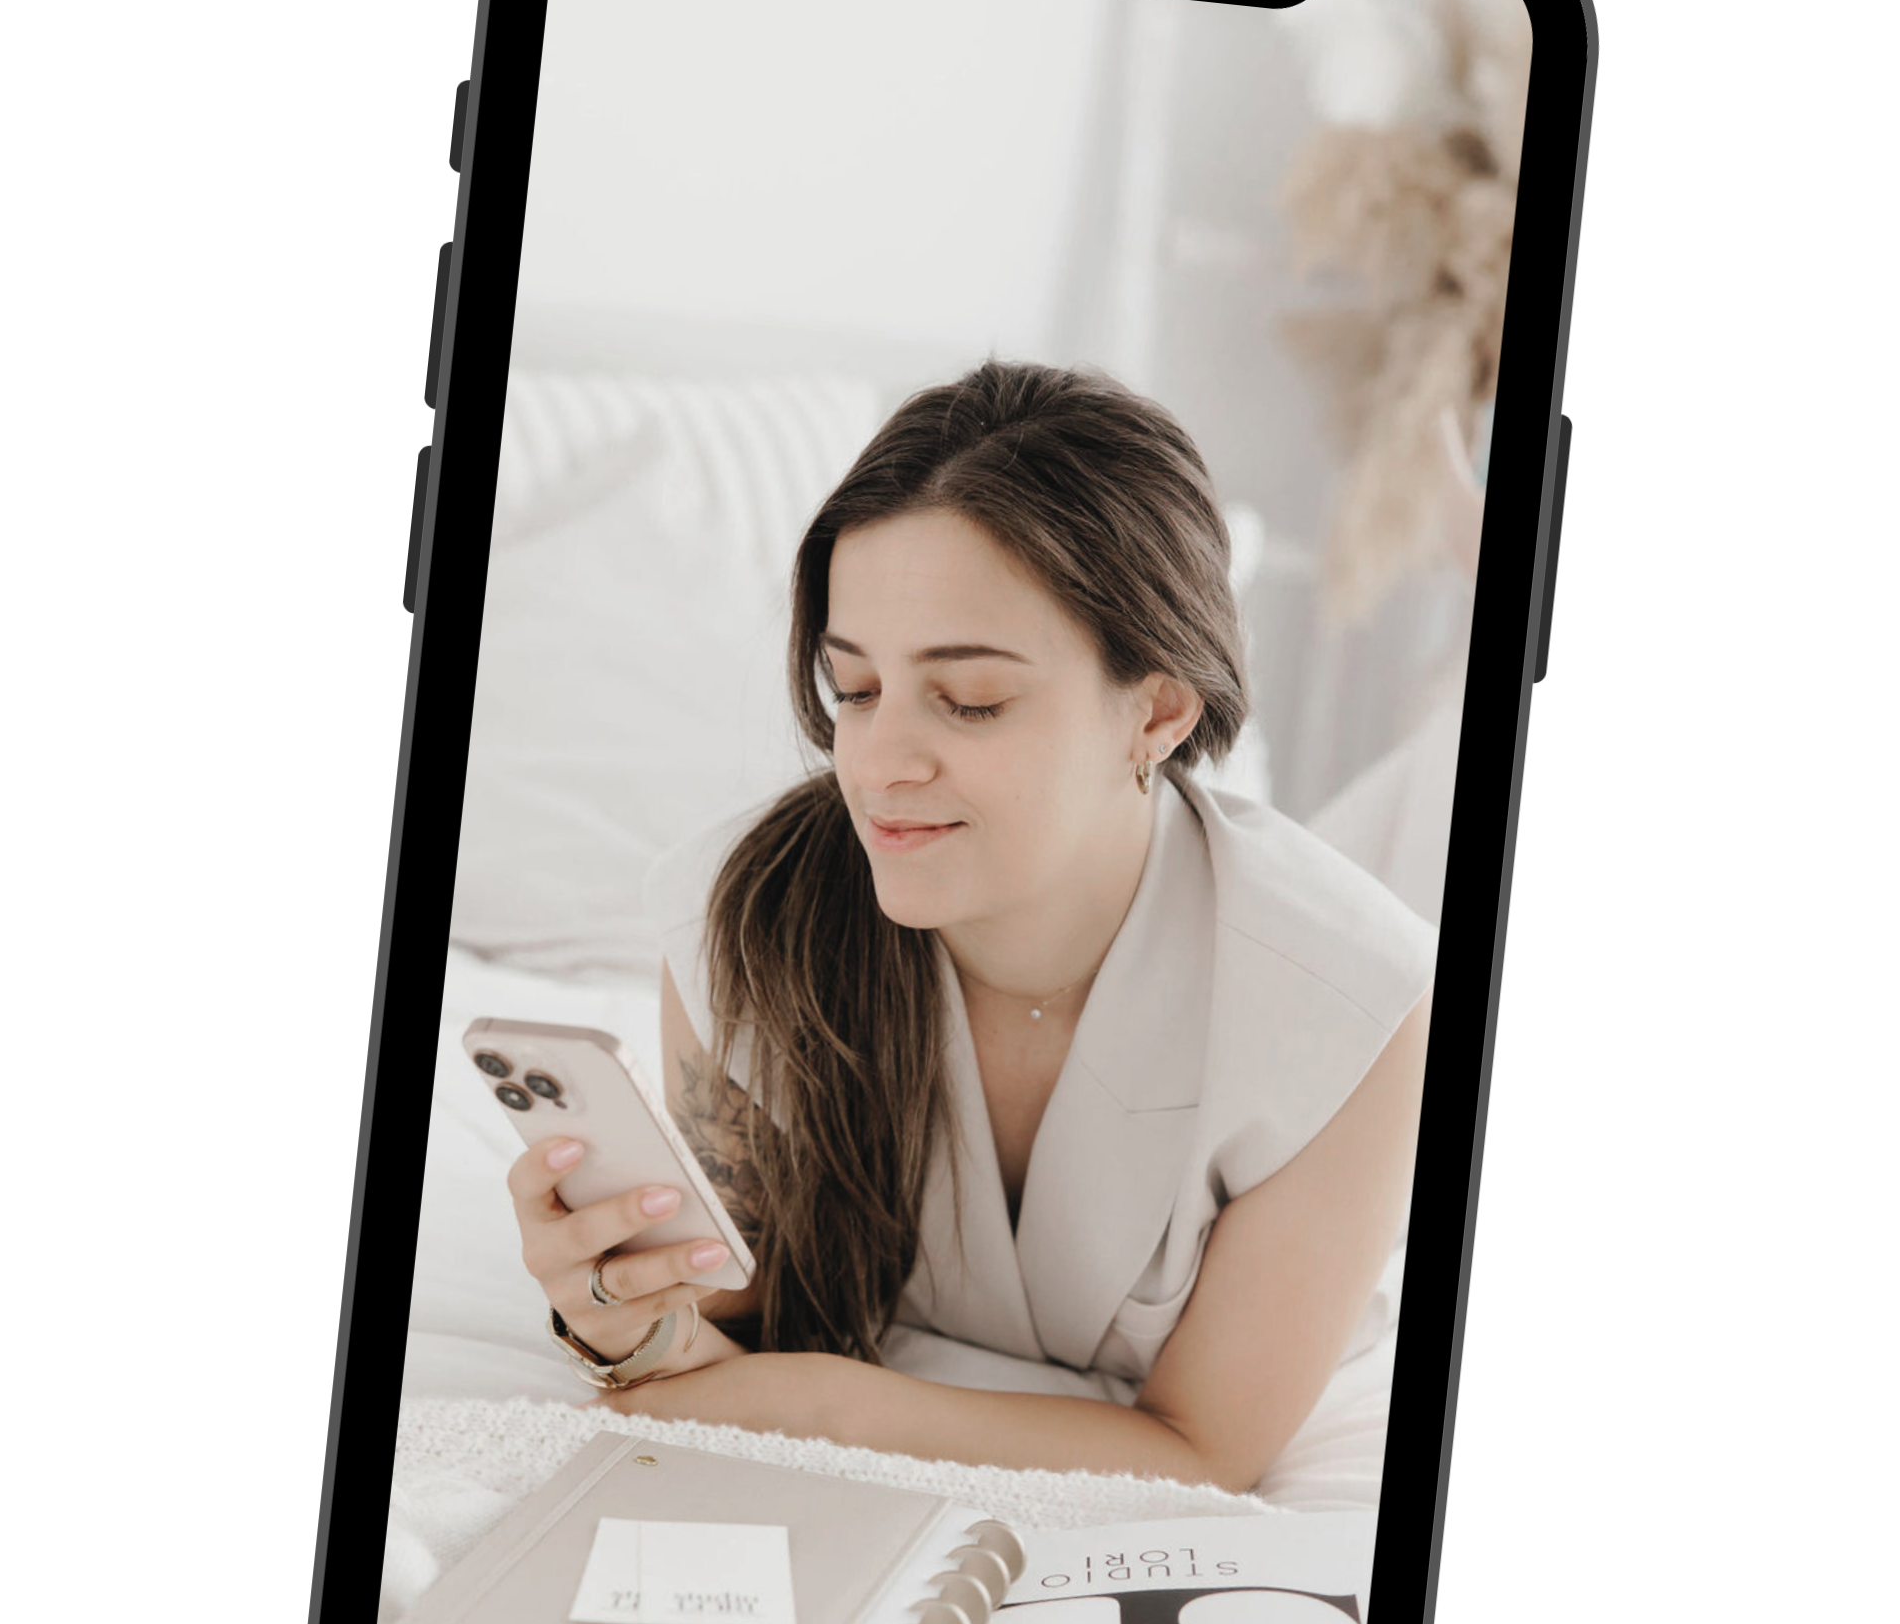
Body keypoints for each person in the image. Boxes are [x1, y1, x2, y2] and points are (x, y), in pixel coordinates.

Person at [506, 362, 1435, 1492]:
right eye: (853, 689)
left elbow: (1201, 1447)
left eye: (971, 700)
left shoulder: (1349, 1007)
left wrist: (827, 1407)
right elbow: (726, 1324)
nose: (880, 765)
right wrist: (615, 1316)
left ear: (1154, 708)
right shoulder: (740, 920)